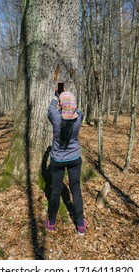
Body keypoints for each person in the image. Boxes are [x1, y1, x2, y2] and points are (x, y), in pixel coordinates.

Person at [45, 85, 87, 236]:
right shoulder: (79, 118)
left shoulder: (55, 116)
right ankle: (81, 225)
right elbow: (79, 112)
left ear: (61, 104)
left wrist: (57, 95)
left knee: (55, 191)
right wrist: (70, 99)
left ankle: (51, 223)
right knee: (76, 189)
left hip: (57, 160)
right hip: (75, 159)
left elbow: (50, 107)